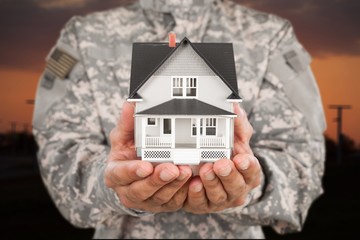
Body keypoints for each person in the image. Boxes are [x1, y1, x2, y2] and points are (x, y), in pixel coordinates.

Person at [32, 0, 327, 238]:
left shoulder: (270, 37)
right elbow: (59, 156)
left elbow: (303, 165)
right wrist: (111, 182)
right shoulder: (84, 36)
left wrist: (249, 183)